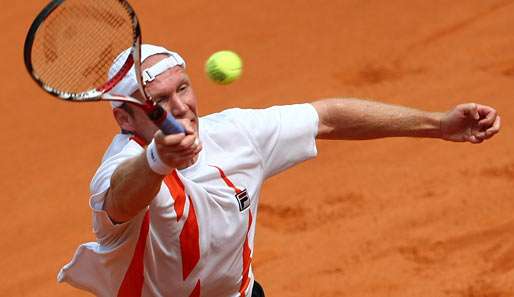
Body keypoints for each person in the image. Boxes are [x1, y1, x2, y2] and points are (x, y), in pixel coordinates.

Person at [57, 44, 500, 297]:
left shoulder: (236, 134)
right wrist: (157, 159)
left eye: (183, 89)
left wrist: (437, 124)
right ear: (126, 120)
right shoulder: (119, 170)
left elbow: (328, 117)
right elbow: (121, 198)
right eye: (158, 104)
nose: (180, 109)